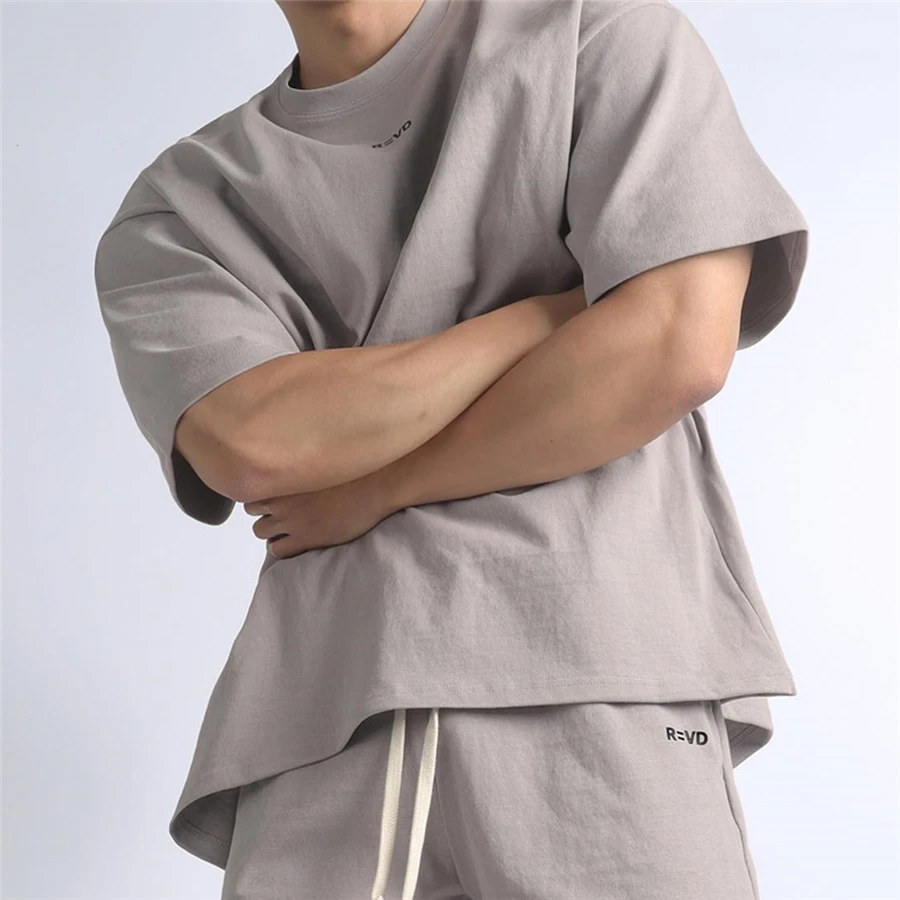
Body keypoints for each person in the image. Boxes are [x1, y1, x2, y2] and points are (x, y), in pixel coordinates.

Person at [93, 0, 809, 897]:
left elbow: (676, 343)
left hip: (599, 669)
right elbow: (254, 441)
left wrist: (379, 486)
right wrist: (556, 313)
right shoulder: (179, 210)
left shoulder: (595, 31)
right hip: (330, 715)